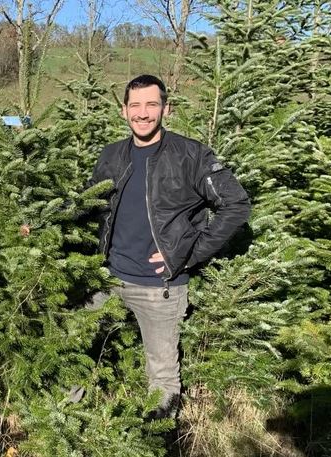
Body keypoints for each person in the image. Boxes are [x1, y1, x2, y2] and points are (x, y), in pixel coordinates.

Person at [88, 74, 250, 417]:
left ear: (166, 108)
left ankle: (159, 439)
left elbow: (236, 205)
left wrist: (188, 254)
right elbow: (87, 204)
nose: (143, 113)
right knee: (75, 347)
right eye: (135, 105)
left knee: (161, 376)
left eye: (151, 104)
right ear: (123, 111)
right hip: (108, 279)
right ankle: (68, 432)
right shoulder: (112, 155)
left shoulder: (190, 155)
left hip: (160, 287)